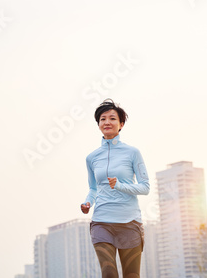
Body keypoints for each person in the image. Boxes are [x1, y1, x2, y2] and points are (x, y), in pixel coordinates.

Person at [81, 99, 150, 278]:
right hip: (102, 222)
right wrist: (88, 202)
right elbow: (93, 188)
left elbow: (145, 187)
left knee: (131, 275)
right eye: (102, 119)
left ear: (121, 124)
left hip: (129, 222)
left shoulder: (132, 153)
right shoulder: (92, 158)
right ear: (98, 124)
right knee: (109, 272)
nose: (107, 122)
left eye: (112, 118)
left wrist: (119, 186)